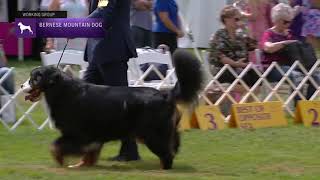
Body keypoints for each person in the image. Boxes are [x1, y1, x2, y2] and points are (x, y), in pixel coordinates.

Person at [83, 0, 139, 161]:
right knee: (85, 99)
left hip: (111, 50)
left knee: (122, 103)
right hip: (99, 51)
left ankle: (129, 150)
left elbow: (103, 12)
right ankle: (90, 148)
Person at [260, 3, 320, 102]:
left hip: (292, 67)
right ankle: (298, 106)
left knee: (315, 78)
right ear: (276, 20)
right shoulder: (269, 33)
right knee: (296, 76)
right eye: (285, 22)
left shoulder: (289, 34)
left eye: (290, 22)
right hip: (273, 68)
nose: (288, 24)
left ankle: (305, 105)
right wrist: (284, 43)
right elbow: (268, 48)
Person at [208, 5, 259, 92]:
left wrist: (246, 29)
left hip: (240, 68)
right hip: (223, 69)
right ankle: (243, 98)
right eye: (236, 19)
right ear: (226, 19)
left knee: (257, 75)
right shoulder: (219, 35)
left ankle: (248, 102)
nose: (239, 22)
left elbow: (254, 45)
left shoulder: (240, 35)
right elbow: (221, 57)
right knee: (245, 77)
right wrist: (236, 64)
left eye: (240, 19)